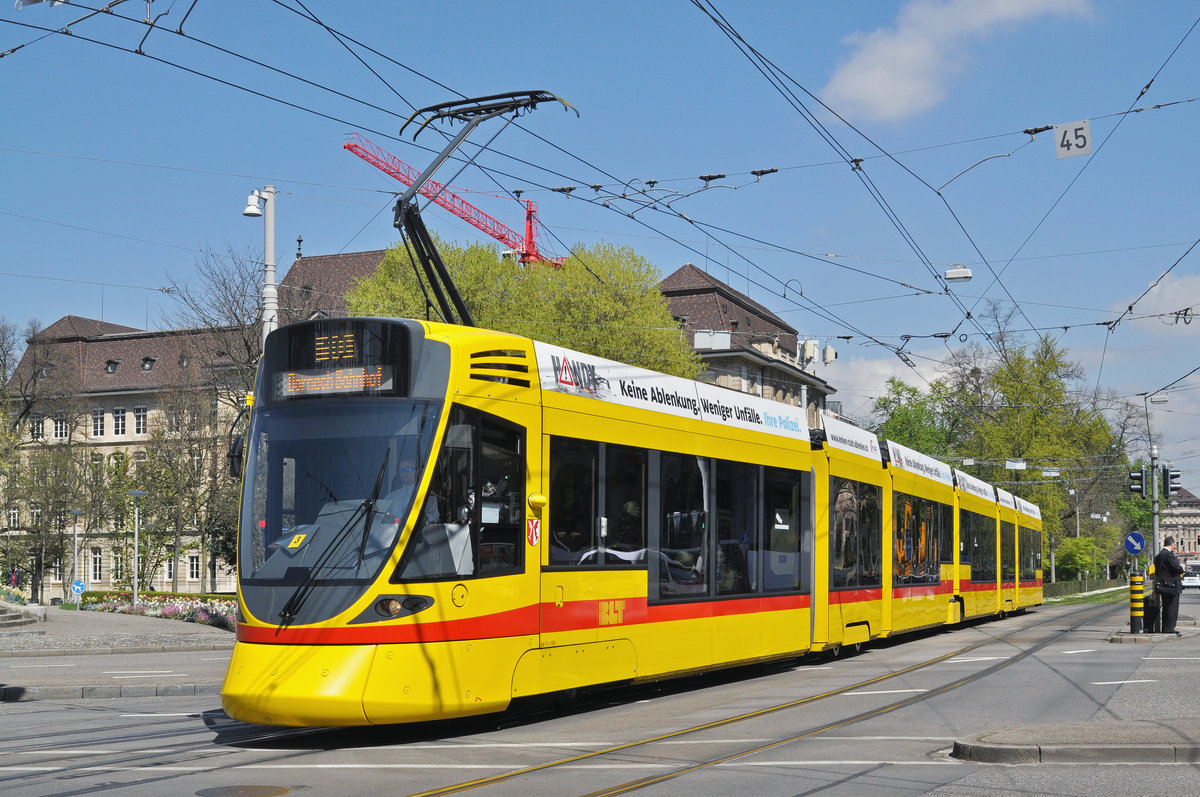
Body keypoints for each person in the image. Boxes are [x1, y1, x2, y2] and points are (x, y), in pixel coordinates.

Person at [1154, 535, 1185, 636]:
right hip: (1172, 586)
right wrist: (1182, 567)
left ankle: (1165, 628)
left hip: (1163, 585)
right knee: (1172, 608)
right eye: (1174, 545)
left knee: (1166, 608)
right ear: (1172, 545)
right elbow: (1176, 568)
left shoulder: (1158, 556)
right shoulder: (1169, 555)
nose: (1175, 547)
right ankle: (1170, 629)